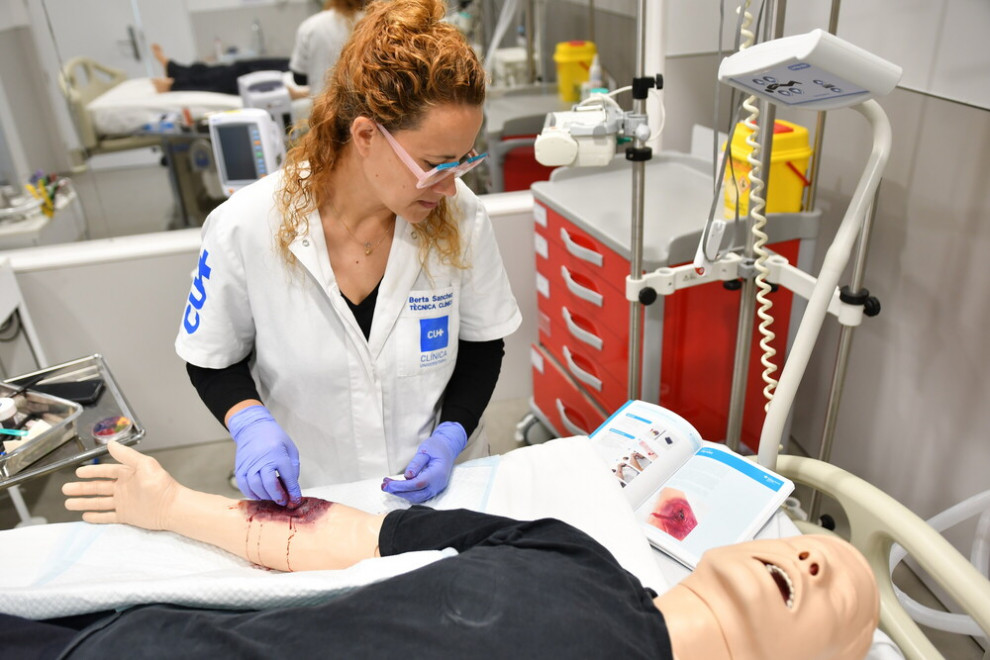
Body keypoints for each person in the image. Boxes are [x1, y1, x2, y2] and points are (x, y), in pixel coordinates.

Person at [0, 441, 879, 659]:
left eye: (838, 587)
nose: (810, 558)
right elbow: (344, 539)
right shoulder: (578, 557)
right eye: (819, 548)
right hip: (133, 646)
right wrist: (175, 505)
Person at [175, 0, 521, 508]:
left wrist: (452, 436)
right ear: (365, 135)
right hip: (314, 494)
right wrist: (249, 422)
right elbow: (212, 358)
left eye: (463, 162)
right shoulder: (246, 225)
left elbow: (482, 344)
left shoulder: (461, 217)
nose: (450, 187)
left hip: (444, 494)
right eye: (434, 164)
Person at [148, 43, 308, 99]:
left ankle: (175, 83)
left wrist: (297, 94)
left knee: (223, 78)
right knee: (220, 70)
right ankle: (174, 71)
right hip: (291, 71)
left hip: (280, 80)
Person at [289, 0, 369, 98]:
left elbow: (299, 78)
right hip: (363, 105)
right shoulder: (371, 23)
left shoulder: (311, 26)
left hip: (321, 105)